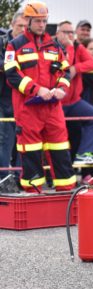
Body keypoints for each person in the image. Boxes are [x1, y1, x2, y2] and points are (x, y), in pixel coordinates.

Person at [3, 1, 76, 192]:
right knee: (31, 152)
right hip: (28, 108)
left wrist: (61, 88)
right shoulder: (14, 45)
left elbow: (65, 71)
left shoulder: (54, 45)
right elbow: (11, 74)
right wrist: (37, 90)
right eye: (37, 21)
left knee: (60, 149)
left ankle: (67, 192)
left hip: (52, 108)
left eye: (44, 21)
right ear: (28, 20)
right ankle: (33, 195)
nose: (42, 25)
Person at [56, 20, 93, 165]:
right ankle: (51, 174)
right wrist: (70, 48)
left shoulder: (78, 46)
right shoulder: (51, 46)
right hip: (56, 102)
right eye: (65, 32)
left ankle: (85, 154)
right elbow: (66, 67)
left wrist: (77, 68)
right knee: (57, 138)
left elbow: (92, 63)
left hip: (74, 101)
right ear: (57, 33)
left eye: (71, 32)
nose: (69, 35)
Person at [0, 11, 27, 180]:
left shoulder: (30, 43)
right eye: (20, 26)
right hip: (2, 98)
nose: (23, 29)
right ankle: (3, 178)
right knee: (3, 139)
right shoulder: (2, 40)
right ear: (12, 24)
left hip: (20, 98)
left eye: (26, 26)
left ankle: (18, 177)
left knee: (21, 140)